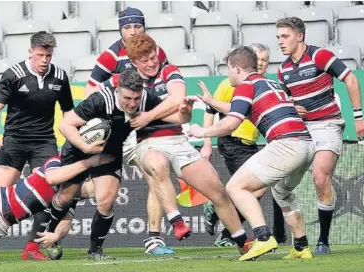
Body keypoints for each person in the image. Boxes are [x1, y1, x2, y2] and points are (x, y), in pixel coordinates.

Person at [95, 34, 250, 253]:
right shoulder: (125, 81)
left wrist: (159, 114)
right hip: (145, 141)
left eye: (153, 57)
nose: (151, 63)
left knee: (216, 189)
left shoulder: (169, 71)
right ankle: (175, 222)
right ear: (133, 62)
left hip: (177, 139)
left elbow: (178, 102)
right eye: (145, 60)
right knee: (157, 165)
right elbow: (97, 95)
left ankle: (243, 242)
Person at [45, 70, 195, 260]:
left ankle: (95, 250)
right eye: (127, 98)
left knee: (107, 200)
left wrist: (185, 111)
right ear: (117, 91)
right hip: (78, 149)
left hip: (109, 151)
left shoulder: (145, 99)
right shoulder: (100, 100)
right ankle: (51, 234)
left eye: (136, 98)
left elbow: (179, 119)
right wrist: (86, 147)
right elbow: (65, 125)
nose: (132, 103)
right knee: (66, 196)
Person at [187, 46, 316, 261]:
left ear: (236, 68)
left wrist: (202, 132)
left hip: (285, 144)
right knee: (282, 193)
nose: (228, 75)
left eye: (228, 69)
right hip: (306, 144)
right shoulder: (269, 83)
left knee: (236, 187)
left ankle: (263, 237)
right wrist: (211, 102)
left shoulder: (246, 85)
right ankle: (301, 247)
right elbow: (239, 109)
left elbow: (231, 124)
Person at [275, 17, 364, 255]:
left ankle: (323, 242)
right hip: (301, 130)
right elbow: (287, 103)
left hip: (328, 124)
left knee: (320, 178)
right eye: (278, 37)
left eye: (285, 36)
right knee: (281, 187)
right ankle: (299, 240)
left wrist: (359, 116)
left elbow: (350, 78)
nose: (280, 42)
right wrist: (292, 108)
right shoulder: (283, 70)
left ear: (300, 36)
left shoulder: (319, 56)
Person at [83, 7, 173, 255]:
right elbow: (89, 91)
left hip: (145, 124)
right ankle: (79, 192)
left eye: (137, 26)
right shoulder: (111, 56)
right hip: (116, 128)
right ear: (120, 29)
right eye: (127, 27)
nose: (133, 32)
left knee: (155, 176)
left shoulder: (157, 51)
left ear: (144, 27)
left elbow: (164, 83)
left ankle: (153, 238)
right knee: (103, 194)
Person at [0, 31, 74, 260]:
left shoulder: (60, 77)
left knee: (51, 192)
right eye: (41, 55)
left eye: (49, 55)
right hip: (14, 141)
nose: (45, 60)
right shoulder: (13, 75)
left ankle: (32, 248)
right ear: (31, 51)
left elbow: (69, 112)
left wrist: (74, 141)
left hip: (44, 141)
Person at [197, 44, 287, 247]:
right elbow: (210, 112)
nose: (262, 63)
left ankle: (219, 212)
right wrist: (206, 143)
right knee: (256, 188)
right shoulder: (229, 84)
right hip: (233, 142)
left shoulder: (263, 84)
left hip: (251, 144)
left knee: (253, 188)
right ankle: (229, 232)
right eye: (258, 59)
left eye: (265, 59)